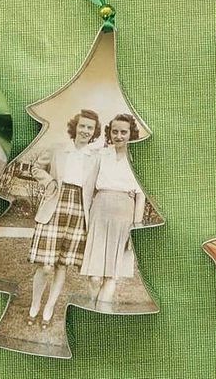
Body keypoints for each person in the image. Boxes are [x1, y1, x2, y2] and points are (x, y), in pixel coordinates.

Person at [27, 109, 101, 327]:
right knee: (45, 265)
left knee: (61, 265)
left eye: (90, 128)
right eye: (83, 126)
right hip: (55, 205)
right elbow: (36, 168)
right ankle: (34, 305)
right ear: (75, 126)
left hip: (79, 211)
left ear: (94, 132)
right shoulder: (58, 148)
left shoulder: (95, 158)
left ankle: (49, 308)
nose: (86, 131)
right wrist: (49, 181)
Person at [81, 114, 145, 311]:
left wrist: (135, 228)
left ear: (131, 134)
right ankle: (93, 308)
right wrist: (86, 218)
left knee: (111, 276)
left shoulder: (137, 159)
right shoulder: (101, 155)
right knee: (94, 277)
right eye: (114, 131)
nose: (118, 136)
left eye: (123, 132)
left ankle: (101, 315)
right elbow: (87, 189)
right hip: (99, 215)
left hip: (124, 217)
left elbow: (141, 196)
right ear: (109, 132)